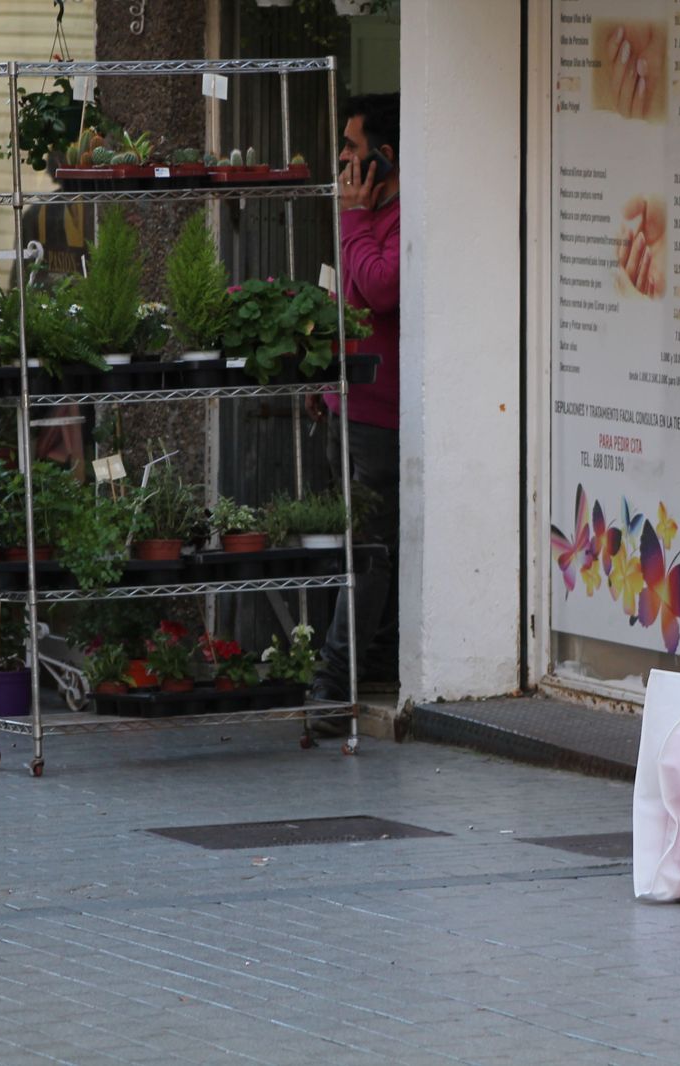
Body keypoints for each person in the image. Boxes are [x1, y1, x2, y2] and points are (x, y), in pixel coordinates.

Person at [304, 92, 402, 710]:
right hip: (349, 406)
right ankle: (375, 664)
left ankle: (335, 684)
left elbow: (378, 288)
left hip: (381, 418)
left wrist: (352, 220)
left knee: (365, 553)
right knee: (364, 546)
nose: (341, 156)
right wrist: (323, 380)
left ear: (384, 158)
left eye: (352, 147)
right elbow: (344, 303)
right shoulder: (367, 218)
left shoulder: (395, 220)